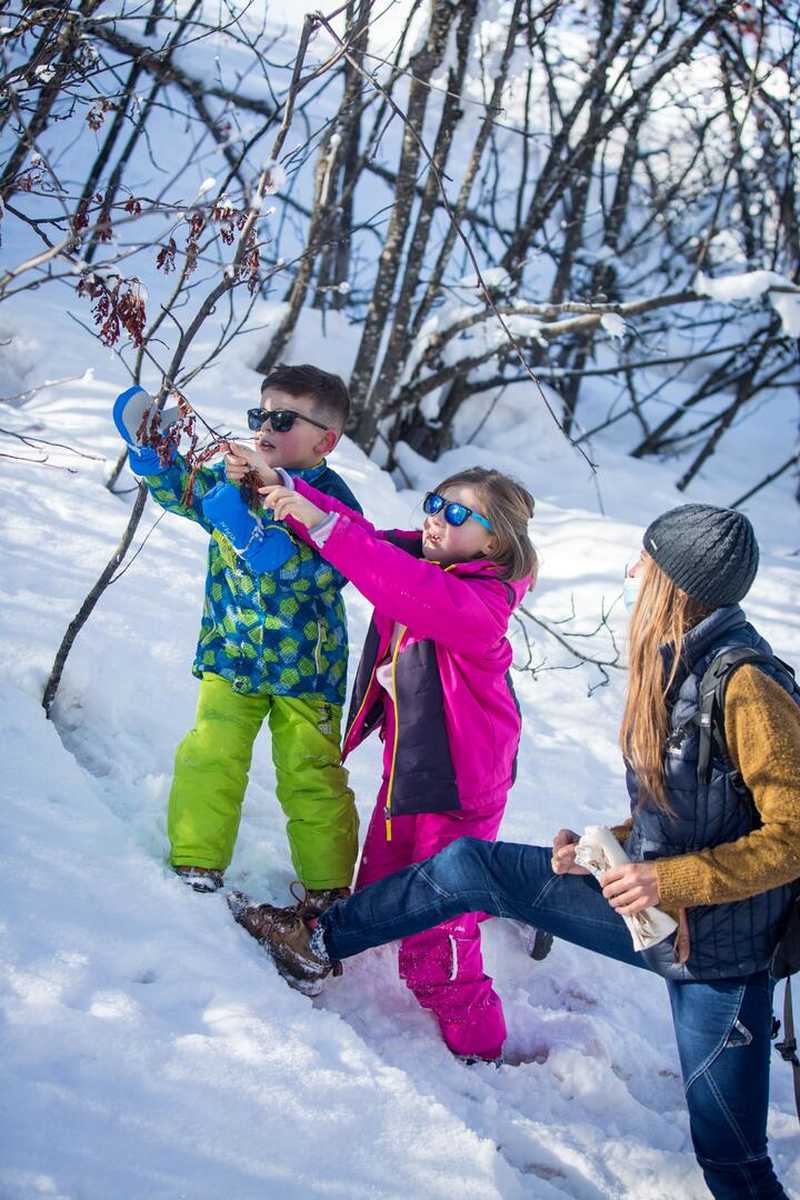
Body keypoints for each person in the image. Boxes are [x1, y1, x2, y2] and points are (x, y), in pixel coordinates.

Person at [229, 503, 800, 1199]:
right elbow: (695, 804)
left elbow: (792, 835)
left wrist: (666, 877)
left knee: (731, 1161)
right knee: (472, 866)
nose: (631, 572)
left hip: (723, 955)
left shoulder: (749, 686)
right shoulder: (678, 662)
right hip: (656, 912)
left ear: (678, 583)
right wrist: (605, 847)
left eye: (644, 563)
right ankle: (316, 941)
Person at [231, 465, 538, 1062]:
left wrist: (315, 521)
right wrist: (284, 483)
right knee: (380, 889)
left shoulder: (478, 603)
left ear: (495, 542)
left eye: (456, 513)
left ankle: (483, 1049)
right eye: (433, 502)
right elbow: (365, 537)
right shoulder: (433, 564)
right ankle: (509, 896)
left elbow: (389, 577)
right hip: (414, 771)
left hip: (458, 788)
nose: (434, 517)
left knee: (435, 940)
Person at [112, 363, 361, 912]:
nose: (264, 427)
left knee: (311, 775)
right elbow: (187, 496)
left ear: (327, 439)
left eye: (282, 418)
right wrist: (153, 453)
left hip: (306, 668)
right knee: (211, 753)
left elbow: (334, 569)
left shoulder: (333, 501)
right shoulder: (237, 477)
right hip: (232, 653)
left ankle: (328, 889)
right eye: (259, 414)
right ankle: (197, 860)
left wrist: (264, 548)